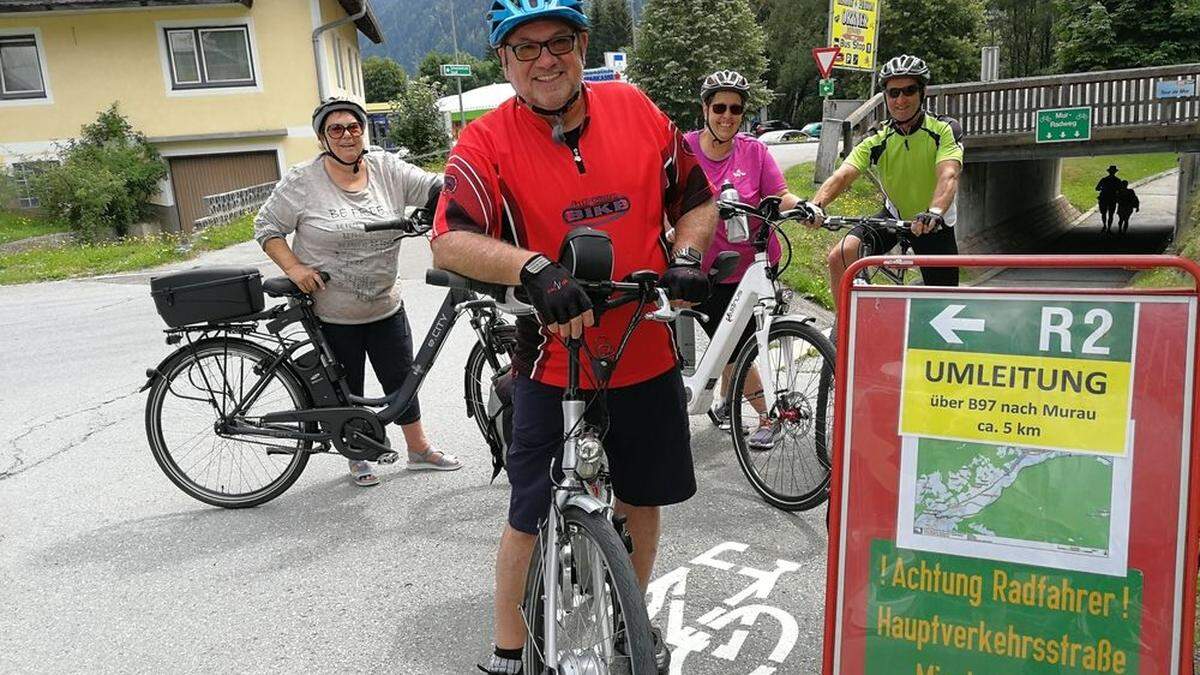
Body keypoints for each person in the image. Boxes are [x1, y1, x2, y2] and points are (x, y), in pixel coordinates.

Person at [429, 0, 717, 671]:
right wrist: (531, 268)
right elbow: (449, 239)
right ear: (504, 61)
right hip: (551, 356)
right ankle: (506, 649)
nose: (545, 59)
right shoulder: (486, 140)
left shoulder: (636, 110)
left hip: (641, 345)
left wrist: (688, 256)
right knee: (530, 510)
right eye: (524, 48)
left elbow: (696, 199)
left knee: (641, 499)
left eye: (558, 41)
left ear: (583, 45)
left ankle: (627, 618)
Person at [254, 97, 462, 487]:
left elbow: (435, 187)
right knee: (347, 385)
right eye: (336, 129)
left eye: (354, 127)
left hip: (384, 302)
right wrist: (295, 268)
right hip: (332, 309)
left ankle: (418, 449)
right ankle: (357, 456)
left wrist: (466, 181)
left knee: (402, 379)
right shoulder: (303, 181)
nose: (347, 135)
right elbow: (267, 227)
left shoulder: (386, 168)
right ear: (322, 138)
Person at [684, 69, 811, 447]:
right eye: (719, 107)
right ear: (705, 108)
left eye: (735, 109)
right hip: (708, 267)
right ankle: (757, 410)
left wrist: (803, 207)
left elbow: (780, 195)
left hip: (755, 264)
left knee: (737, 342)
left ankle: (743, 407)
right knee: (732, 343)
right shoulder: (686, 149)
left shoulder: (754, 151)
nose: (727, 116)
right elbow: (666, 196)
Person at [807, 54, 964, 305]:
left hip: (934, 222)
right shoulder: (879, 136)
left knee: (944, 303)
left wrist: (933, 211)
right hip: (894, 216)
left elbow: (948, 174)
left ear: (922, 93)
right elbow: (844, 173)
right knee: (840, 255)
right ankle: (845, 332)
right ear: (886, 97)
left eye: (909, 91)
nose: (900, 100)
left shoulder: (944, 129)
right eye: (893, 93)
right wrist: (817, 205)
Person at [1096, 165, 1122, 233]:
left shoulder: (1104, 179)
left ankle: (1105, 226)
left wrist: (1103, 189)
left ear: (1109, 172)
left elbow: (1097, 188)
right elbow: (1120, 190)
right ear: (1115, 172)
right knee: (1111, 214)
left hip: (1104, 198)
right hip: (1112, 199)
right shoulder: (1118, 180)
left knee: (1103, 213)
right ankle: (1108, 228)